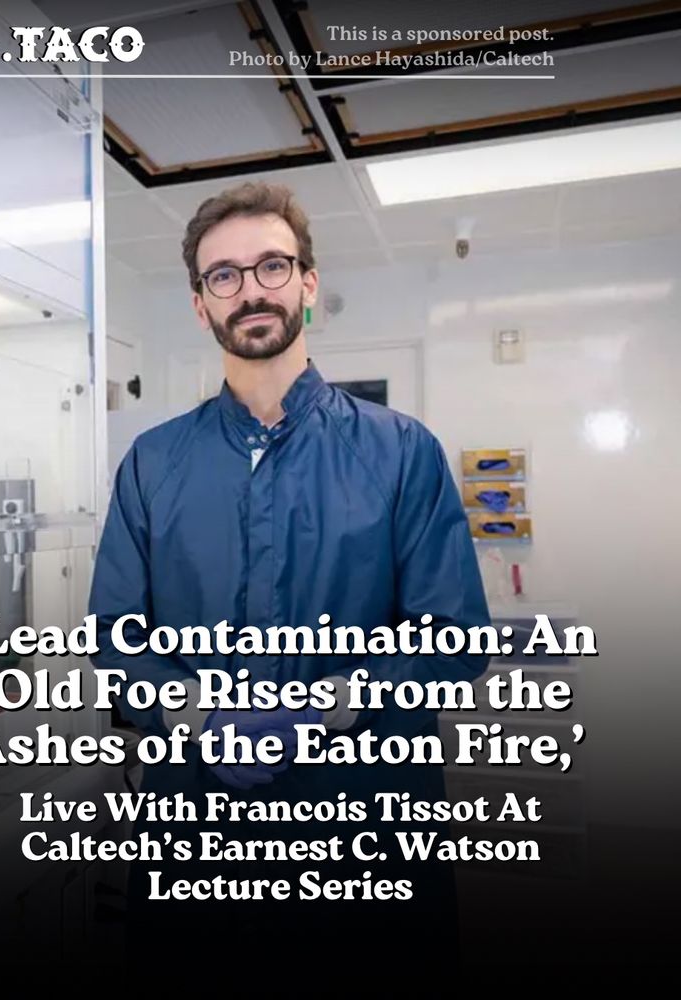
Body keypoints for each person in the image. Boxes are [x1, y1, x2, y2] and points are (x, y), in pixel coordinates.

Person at [88, 181, 490, 981]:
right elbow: (115, 635)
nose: (251, 290)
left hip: (364, 821)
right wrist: (192, 708)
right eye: (224, 275)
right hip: (199, 825)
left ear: (308, 283)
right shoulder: (154, 464)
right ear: (200, 305)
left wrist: (332, 704)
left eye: (272, 265)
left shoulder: (401, 452)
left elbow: (455, 637)